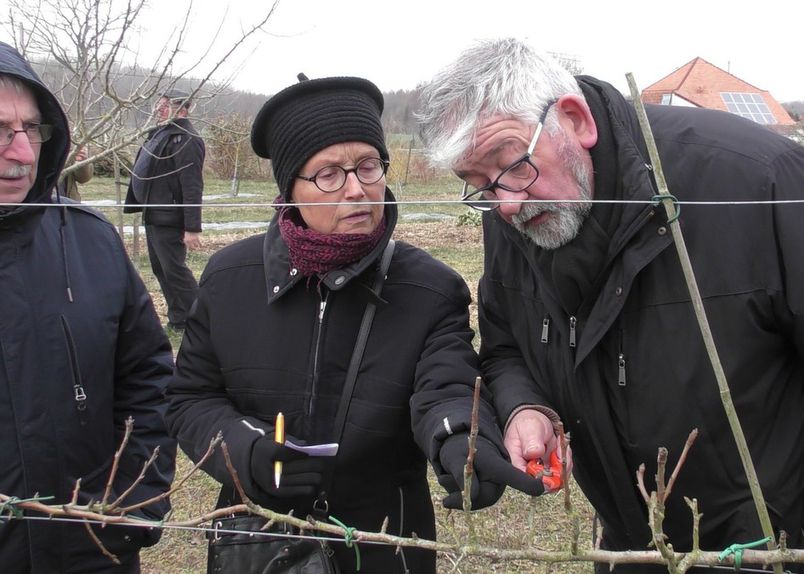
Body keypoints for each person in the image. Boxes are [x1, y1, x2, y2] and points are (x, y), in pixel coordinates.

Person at [418, 38, 804, 571]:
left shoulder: (757, 179)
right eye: (477, 185)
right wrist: (528, 406)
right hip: (633, 545)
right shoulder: (517, 207)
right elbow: (505, 345)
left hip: (776, 546)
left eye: (511, 166)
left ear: (575, 121)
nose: (504, 205)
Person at [164, 75, 543, 573]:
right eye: (328, 174)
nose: (357, 189)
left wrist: (460, 439)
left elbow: (445, 386)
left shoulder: (430, 287)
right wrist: (245, 451)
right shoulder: (230, 278)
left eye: (369, 165)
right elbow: (191, 398)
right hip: (257, 543)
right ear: (289, 187)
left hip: (384, 543)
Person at [0, 41, 177, 573]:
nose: (24, 152)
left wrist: (134, 503)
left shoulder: (90, 240)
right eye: (0, 132)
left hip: (92, 548)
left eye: (32, 129)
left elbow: (149, 378)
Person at [124, 89, 205, 331]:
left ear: (181, 109)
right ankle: (179, 319)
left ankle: (203, 321)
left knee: (175, 271)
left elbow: (192, 185)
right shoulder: (161, 133)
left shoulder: (187, 139)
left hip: (169, 218)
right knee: (162, 271)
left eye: (164, 105)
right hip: (154, 214)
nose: (158, 109)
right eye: (158, 104)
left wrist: (192, 227)